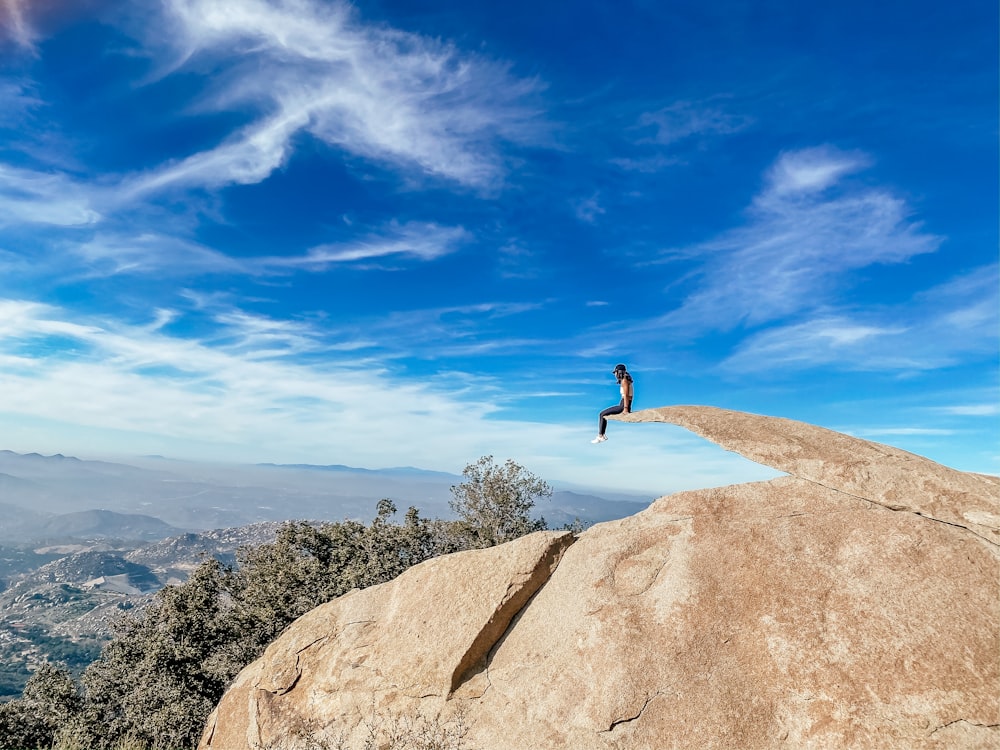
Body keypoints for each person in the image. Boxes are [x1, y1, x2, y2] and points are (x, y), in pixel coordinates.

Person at [591, 363, 633, 443]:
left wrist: (625, 409)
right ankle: (602, 435)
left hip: (624, 405)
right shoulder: (625, 380)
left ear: (619, 372)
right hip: (624, 403)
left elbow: (627, 395)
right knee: (603, 414)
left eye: (615, 372)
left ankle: (601, 436)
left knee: (602, 414)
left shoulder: (624, 380)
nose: (615, 375)